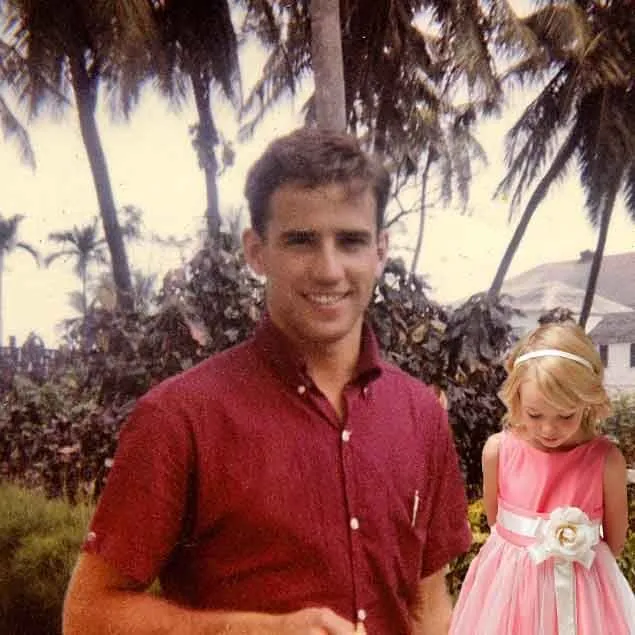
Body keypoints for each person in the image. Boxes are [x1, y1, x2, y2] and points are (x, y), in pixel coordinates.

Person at [63, 128, 472, 635]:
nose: (329, 270)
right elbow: (88, 614)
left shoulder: (419, 414)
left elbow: (429, 609)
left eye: (351, 241)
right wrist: (254, 631)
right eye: (301, 241)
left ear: (380, 251)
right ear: (256, 251)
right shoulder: (179, 418)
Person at [449, 321, 635, 635]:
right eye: (535, 414)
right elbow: (498, 526)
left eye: (566, 415)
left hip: (582, 601)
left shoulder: (606, 461)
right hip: (511, 598)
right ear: (516, 398)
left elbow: (614, 541)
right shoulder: (499, 452)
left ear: (587, 402)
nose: (549, 429)